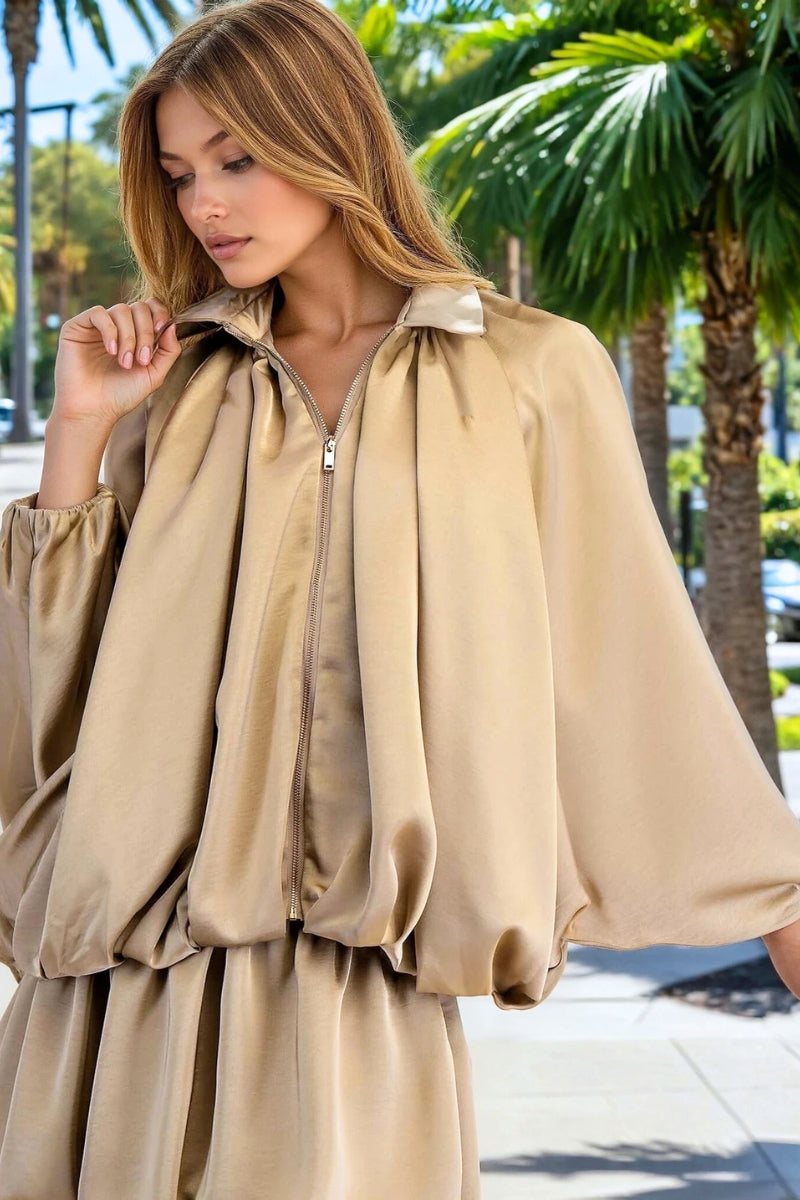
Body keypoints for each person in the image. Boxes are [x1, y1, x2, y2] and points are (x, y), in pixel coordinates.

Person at [0, 0, 799, 1195]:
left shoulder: (528, 370)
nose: (203, 203)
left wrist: (773, 890)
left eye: (236, 158)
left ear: (330, 135)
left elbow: (621, 654)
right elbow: (51, 682)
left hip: (356, 1002)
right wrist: (78, 429)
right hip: (115, 995)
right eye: (177, 175)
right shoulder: (173, 388)